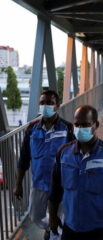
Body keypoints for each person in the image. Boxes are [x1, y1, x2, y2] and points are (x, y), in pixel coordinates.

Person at [48, 105, 103, 240]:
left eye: (85, 124)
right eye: (77, 124)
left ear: (96, 125)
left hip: (99, 228)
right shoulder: (63, 153)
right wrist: (52, 216)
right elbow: (55, 189)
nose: (80, 129)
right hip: (70, 225)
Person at [14, 90, 74, 240]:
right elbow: (24, 158)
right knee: (35, 215)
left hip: (61, 185)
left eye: (49, 103)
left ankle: (55, 233)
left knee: (59, 217)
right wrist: (18, 183)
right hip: (39, 182)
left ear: (57, 106)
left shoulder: (68, 129)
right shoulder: (31, 129)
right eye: (42, 103)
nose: (45, 106)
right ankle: (51, 227)